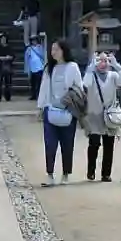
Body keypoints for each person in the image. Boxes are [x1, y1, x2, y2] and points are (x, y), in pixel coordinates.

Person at [36, 38, 83, 185]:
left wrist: (71, 100)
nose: (53, 52)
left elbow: (79, 88)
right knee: (50, 144)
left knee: (67, 144)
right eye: (52, 49)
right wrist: (41, 107)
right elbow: (44, 88)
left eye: (56, 49)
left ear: (64, 51)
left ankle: (66, 174)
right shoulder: (49, 68)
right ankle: (50, 174)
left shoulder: (72, 67)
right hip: (50, 109)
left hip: (68, 110)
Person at [81, 48, 121, 182]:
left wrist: (116, 65)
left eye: (105, 60)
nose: (103, 63)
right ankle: (91, 171)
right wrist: (91, 67)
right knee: (94, 144)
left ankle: (106, 174)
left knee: (109, 146)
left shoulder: (113, 76)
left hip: (110, 116)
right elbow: (85, 83)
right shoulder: (91, 75)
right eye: (100, 60)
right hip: (94, 116)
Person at [0, 30, 16, 103]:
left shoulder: (9, 47)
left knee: (8, 84)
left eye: (4, 39)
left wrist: (8, 58)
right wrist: (3, 57)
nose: (3, 40)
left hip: (8, 67)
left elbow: (13, 56)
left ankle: (7, 96)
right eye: (2, 39)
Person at [24, 33, 46, 103]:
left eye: (35, 40)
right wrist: (27, 69)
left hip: (40, 67)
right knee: (32, 83)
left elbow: (43, 55)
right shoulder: (29, 49)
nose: (34, 42)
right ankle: (33, 95)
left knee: (39, 82)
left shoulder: (40, 47)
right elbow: (26, 59)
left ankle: (38, 95)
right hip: (32, 68)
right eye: (33, 40)